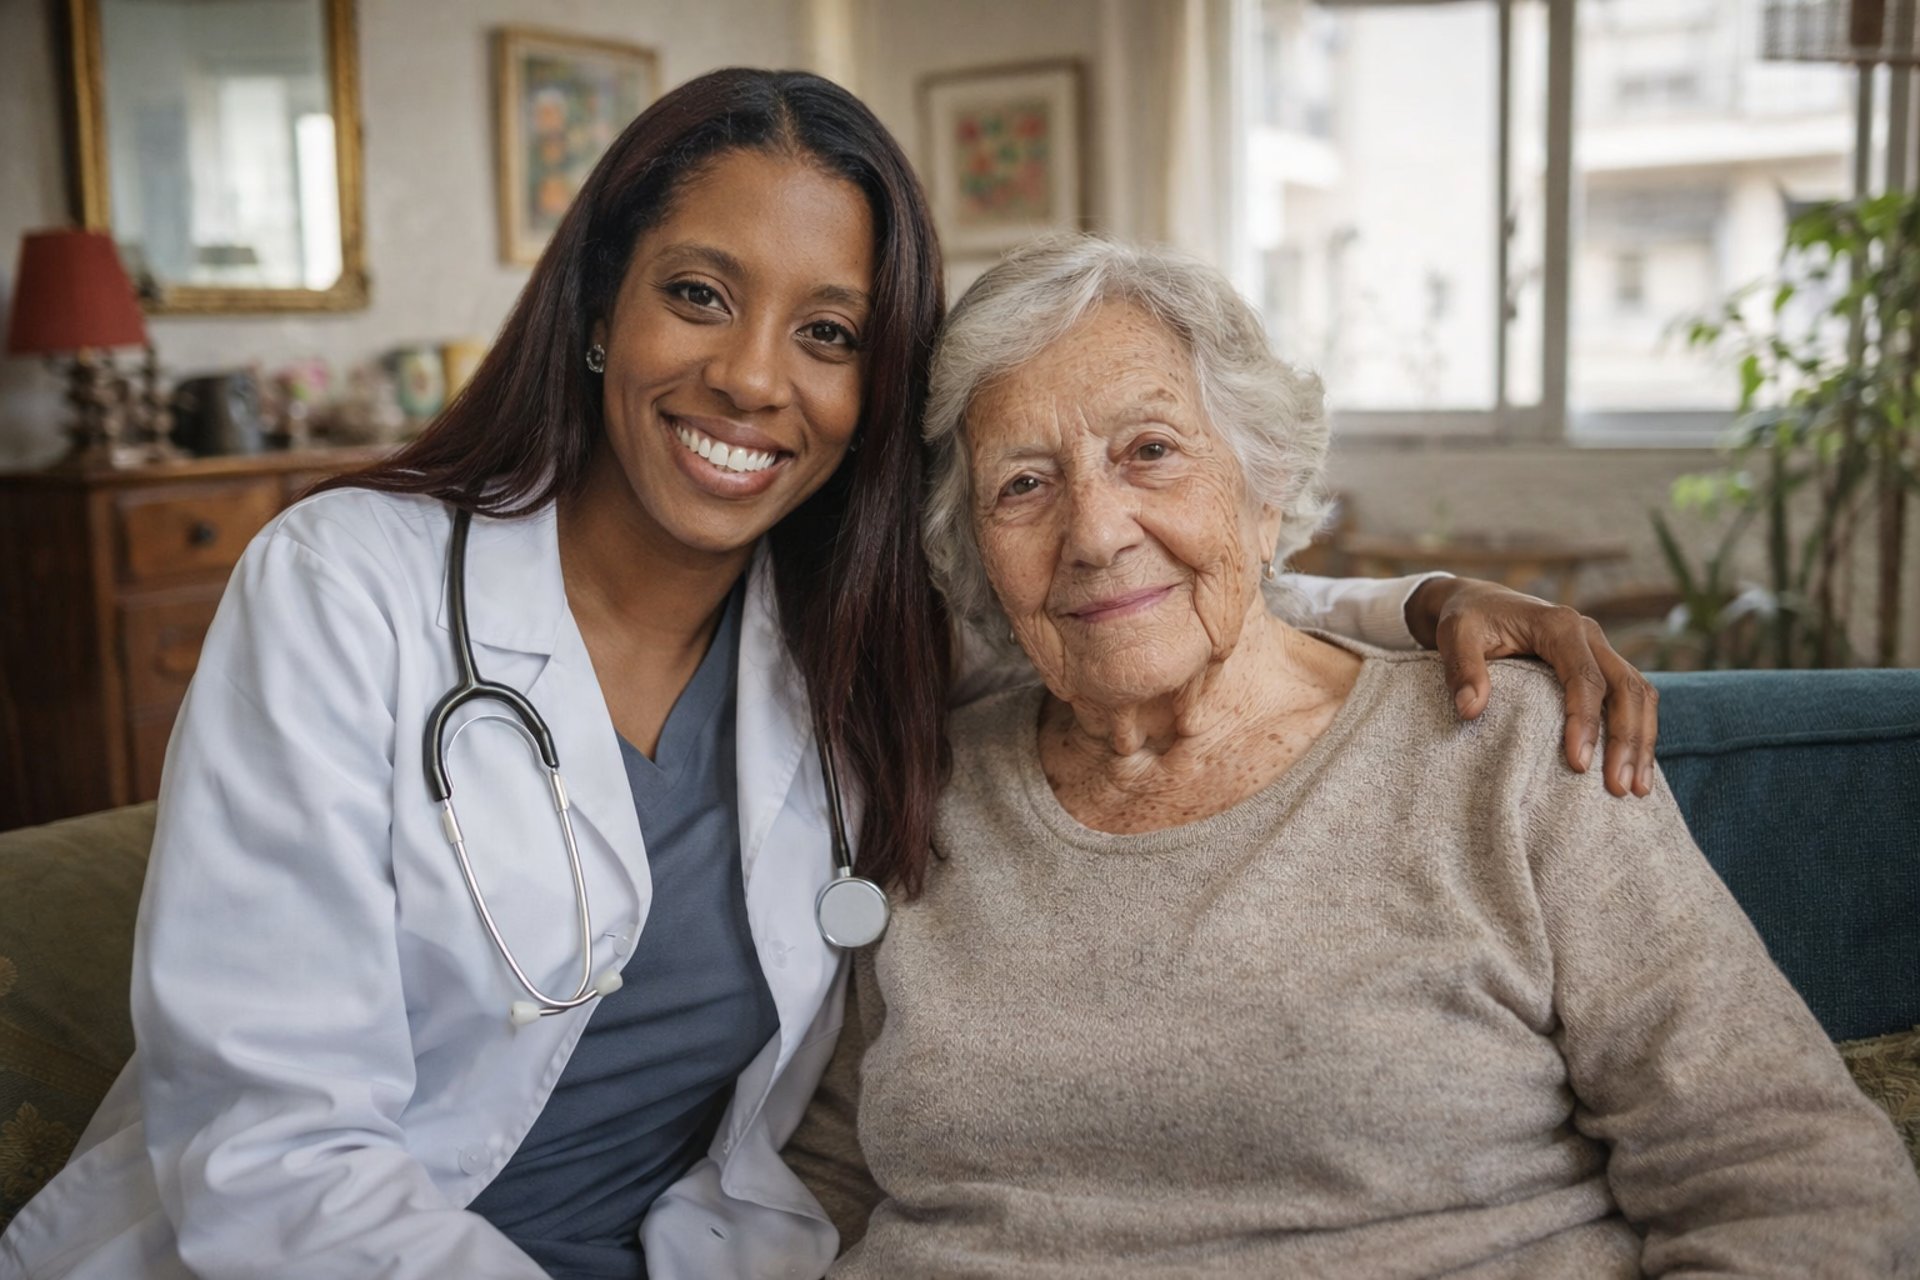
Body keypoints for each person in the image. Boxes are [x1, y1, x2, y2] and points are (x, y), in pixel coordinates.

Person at [2, 73, 1658, 1280]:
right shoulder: (345, 587)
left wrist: (1420, 600)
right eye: (699, 296)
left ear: (873, 391)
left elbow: (1126, 583)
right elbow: (271, 1156)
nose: (751, 378)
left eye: (830, 333)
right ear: (599, 308)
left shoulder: (854, 632)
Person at [784, 235, 1920, 1278]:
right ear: (972, 549)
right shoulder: (921, 791)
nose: (1094, 531)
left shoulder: (1505, 748)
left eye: (1152, 451)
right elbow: (823, 1184)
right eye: (1023, 484)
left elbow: (1795, 1183)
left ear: (1265, 489)